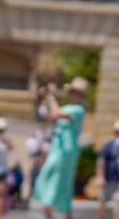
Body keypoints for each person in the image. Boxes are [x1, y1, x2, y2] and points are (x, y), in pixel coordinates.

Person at [32, 77, 88, 219]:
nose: (72, 94)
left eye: (75, 92)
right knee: (49, 179)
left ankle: (63, 213)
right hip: (57, 147)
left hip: (66, 151)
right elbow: (51, 114)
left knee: (60, 182)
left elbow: (56, 114)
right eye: (72, 92)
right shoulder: (68, 107)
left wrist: (50, 96)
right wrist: (47, 96)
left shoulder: (79, 110)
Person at [95, 120, 119, 219]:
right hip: (108, 179)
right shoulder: (108, 145)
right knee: (102, 203)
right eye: (118, 132)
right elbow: (101, 161)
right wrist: (100, 177)